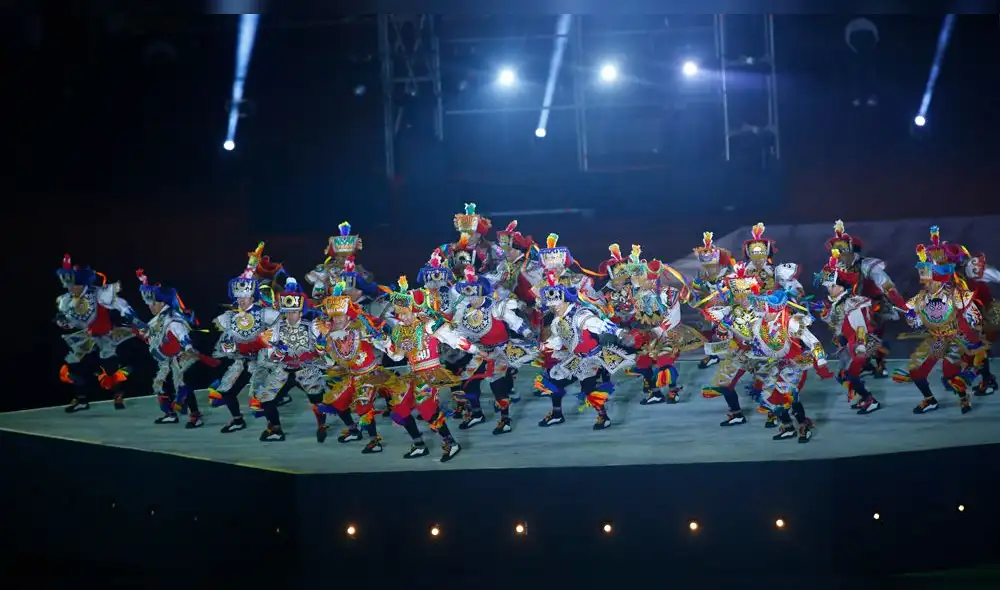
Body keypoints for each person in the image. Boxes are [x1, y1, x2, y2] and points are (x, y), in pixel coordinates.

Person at [896, 228, 989, 416]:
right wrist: (911, 316)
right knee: (917, 372)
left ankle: (964, 397)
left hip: (956, 340)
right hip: (938, 340)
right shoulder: (921, 297)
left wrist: (972, 339)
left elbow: (974, 319)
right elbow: (911, 317)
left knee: (950, 376)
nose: (925, 281)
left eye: (929, 277)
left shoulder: (957, 294)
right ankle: (930, 400)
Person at [383, 276, 475, 462]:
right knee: (400, 407)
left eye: (406, 313)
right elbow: (398, 356)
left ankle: (450, 442)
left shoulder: (429, 325)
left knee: (427, 409)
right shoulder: (400, 331)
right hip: (414, 374)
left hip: (431, 373)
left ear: (415, 311)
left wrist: (474, 349)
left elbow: (453, 339)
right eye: (400, 313)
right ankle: (419, 445)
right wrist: (385, 343)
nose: (402, 317)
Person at [535, 270, 635, 431]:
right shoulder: (557, 321)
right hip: (575, 357)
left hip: (592, 358)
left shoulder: (580, 315)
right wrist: (542, 346)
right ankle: (556, 414)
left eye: (557, 305)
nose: (555, 309)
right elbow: (557, 340)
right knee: (553, 382)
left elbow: (602, 324)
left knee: (589, 390)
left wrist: (620, 333)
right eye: (552, 306)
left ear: (566, 301)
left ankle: (603, 416)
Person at [448, 266, 537, 434]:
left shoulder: (496, 307)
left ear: (482, 292)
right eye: (468, 295)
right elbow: (457, 329)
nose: (471, 298)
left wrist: (528, 333)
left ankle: (505, 420)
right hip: (481, 351)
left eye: (473, 295)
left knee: (497, 385)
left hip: (501, 350)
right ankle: (476, 413)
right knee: (467, 381)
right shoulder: (464, 310)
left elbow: (515, 321)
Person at [823, 220, 908, 379]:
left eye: (843, 251)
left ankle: (879, 364)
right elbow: (830, 289)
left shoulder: (868, 265)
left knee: (871, 336)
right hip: (847, 306)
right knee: (843, 336)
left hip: (872, 304)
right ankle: (861, 365)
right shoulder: (832, 267)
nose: (840, 255)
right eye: (837, 251)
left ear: (851, 250)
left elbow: (888, 286)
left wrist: (902, 305)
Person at [55, 254, 139, 413]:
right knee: (73, 365)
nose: (70, 288)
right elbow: (71, 323)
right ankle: (81, 400)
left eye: (74, 284)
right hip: (88, 336)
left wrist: (133, 318)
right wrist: (63, 322)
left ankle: (118, 394)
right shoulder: (68, 300)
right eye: (69, 284)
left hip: (106, 335)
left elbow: (121, 305)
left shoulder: (99, 293)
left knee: (110, 369)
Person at [316, 282, 394, 454]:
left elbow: (382, 341)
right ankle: (353, 430)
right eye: (334, 317)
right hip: (352, 376)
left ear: (347, 314)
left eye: (341, 315)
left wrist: (380, 338)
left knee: (363, 407)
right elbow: (329, 362)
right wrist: (321, 349)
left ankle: (375, 441)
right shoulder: (329, 335)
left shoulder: (360, 326)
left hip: (370, 374)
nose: (337, 319)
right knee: (335, 403)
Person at [135, 269, 219, 427]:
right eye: (149, 303)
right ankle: (169, 414)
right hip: (167, 359)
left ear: (163, 302)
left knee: (183, 387)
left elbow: (182, 336)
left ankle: (195, 416)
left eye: (153, 303)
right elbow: (148, 330)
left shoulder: (173, 319)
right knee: (159, 385)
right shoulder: (158, 318)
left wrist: (188, 347)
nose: (150, 306)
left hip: (180, 359)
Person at [208, 264, 280, 434]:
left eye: (245, 296)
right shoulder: (230, 317)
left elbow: (280, 328)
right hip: (241, 360)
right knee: (226, 391)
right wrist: (228, 346)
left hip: (262, 360)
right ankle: (237, 420)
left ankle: (274, 426)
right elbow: (225, 339)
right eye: (239, 297)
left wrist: (267, 340)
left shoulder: (265, 313)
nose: (241, 300)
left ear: (252, 297)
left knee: (262, 397)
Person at [252, 278, 326, 441]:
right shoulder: (276, 328)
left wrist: (320, 347)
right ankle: (276, 429)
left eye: (294, 312)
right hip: (284, 370)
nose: (291, 316)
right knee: (265, 398)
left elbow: (322, 349)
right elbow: (271, 354)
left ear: (300, 312)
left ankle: (322, 425)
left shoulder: (312, 326)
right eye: (288, 312)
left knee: (319, 399)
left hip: (305, 369)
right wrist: (278, 352)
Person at [814, 249, 882, 414]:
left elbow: (860, 328)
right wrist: (824, 313)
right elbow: (835, 324)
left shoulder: (852, 302)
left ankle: (870, 400)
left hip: (860, 343)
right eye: (828, 286)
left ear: (841, 286)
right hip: (849, 344)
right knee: (845, 375)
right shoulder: (838, 303)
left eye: (832, 286)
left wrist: (859, 350)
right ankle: (863, 397)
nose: (829, 289)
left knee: (849, 374)